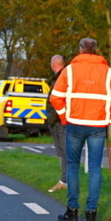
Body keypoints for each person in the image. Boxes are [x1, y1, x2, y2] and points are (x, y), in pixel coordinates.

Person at [50, 38, 111, 221]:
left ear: (80, 50)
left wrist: (64, 116)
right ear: (97, 50)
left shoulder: (69, 71)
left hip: (74, 124)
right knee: (95, 168)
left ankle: (73, 212)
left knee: (73, 166)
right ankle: (91, 214)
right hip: (98, 126)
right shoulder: (108, 73)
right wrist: (107, 116)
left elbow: (55, 98)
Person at [46, 55, 67, 192]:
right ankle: (63, 180)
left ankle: (64, 181)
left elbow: (57, 101)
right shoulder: (63, 76)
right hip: (59, 119)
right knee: (62, 151)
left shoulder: (61, 78)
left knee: (64, 151)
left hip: (60, 121)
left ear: (53, 64)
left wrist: (52, 119)